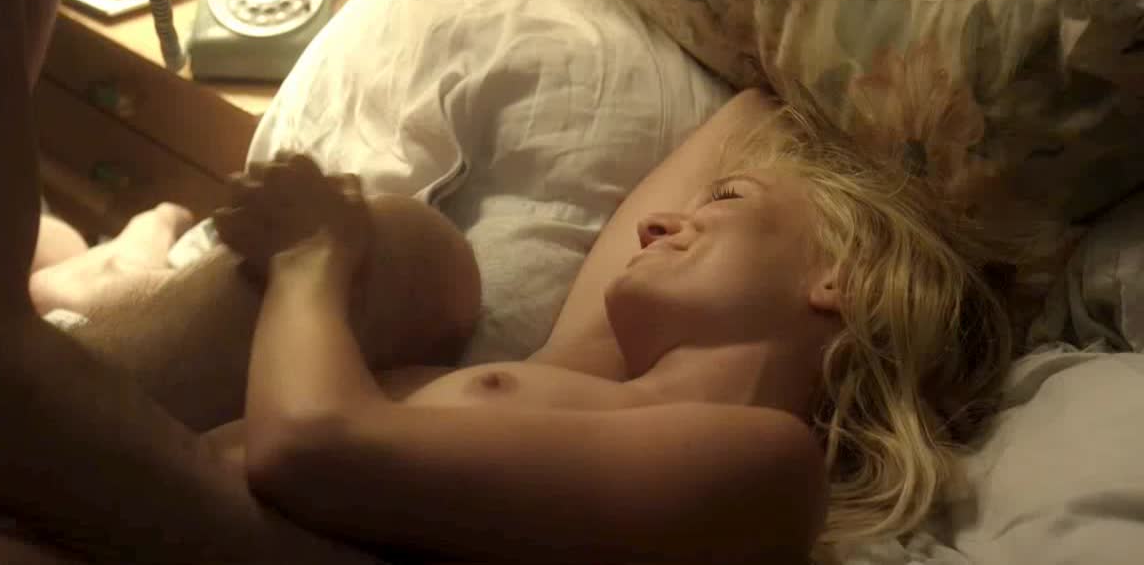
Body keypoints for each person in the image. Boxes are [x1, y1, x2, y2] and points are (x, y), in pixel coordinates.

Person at [198, 89, 1015, 564]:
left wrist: (313, 254)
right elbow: (753, 110)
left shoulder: (768, 463)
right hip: (173, 490)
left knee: (393, 246)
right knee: (426, 253)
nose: (658, 223)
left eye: (726, 201)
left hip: (180, 517)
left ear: (841, 279)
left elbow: (309, 447)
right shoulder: (587, 380)